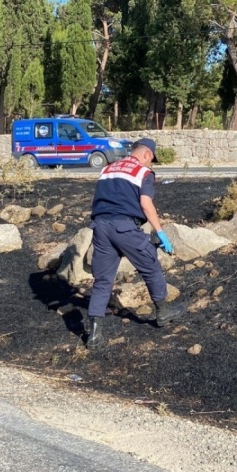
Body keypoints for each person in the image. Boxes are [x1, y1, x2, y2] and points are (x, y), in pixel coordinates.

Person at [85, 137, 180, 349]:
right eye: (151, 159)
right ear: (146, 154)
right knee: (150, 265)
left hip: (100, 226)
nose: (151, 163)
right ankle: (163, 311)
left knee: (103, 280)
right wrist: (160, 232)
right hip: (124, 227)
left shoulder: (108, 169)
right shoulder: (143, 172)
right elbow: (146, 204)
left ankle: (94, 334)